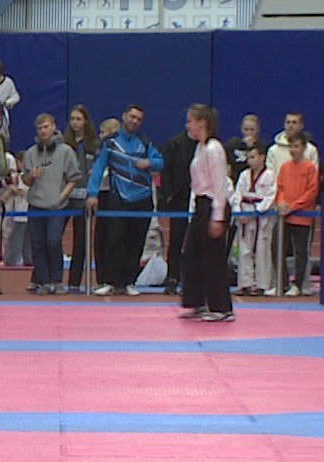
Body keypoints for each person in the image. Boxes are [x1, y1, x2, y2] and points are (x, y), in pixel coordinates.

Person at [88, 104, 162, 296]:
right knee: (114, 239)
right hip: (118, 198)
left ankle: (129, 282)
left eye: (138, 119)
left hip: (142, 199)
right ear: (124, 116)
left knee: (135, 242)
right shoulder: (110, 142)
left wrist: (149, 162)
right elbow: (98, 168)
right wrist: (92, 194)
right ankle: (110, 282)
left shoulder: (144, 142)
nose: (134, 121)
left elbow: (160, 162)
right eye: (132, 117)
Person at [178, 105, 233, 322]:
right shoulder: (200, 148)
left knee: (213, 258)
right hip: (201, 204)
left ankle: (221, 308)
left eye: (190, 121)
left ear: (202, 123)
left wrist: (217, 217)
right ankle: (197, 301)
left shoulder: (214, 148)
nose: (187, 126)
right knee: (191, 254)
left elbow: (220, 185)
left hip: (213, 203)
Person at [21, 113, 80, 293]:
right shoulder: (31, 153)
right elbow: (26, 181)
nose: (43, 131)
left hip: (56, 207)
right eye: (40, 128)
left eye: (46, 127)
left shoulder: (66, 151)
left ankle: (58, 280)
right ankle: (44, 282)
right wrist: (31, 176)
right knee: (37, 244)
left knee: (53, 242)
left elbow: (74, 178)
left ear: (53, 127)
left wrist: (61, 197)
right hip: (35, 205)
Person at [274, 136, 320, 296]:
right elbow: (280, 188)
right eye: (291, 146)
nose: (293, 150)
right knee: (277, 248)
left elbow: (311, 192)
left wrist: (292, 207)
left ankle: (298, 284)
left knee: (301, 252)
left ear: (304, 148)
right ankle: (283, 282)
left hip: (302, 217)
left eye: (296, 146)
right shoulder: (285, 167)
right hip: (284, 217)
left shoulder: (309, 167)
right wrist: (281, 202)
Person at [62, 105, 99, 292]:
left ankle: (74, 283)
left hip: (84, 198)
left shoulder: (94, 144)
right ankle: (47, 279)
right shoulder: (64, 144)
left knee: (81, 241)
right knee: (53, 237)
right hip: (64, 197)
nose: (74, 122)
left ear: (85, 121)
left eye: (78, 119)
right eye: (72, 119)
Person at [231, 145, 276, 296]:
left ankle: (262, 284)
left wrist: (256, 211)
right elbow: (237, 195)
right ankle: (245, 283)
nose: (250, 160)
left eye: (253, 157)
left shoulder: (270, 175)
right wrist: (239, 213)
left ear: (262, 157)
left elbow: (270, 197)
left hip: (261, 218)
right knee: (244, 250)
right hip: (244, 216)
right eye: (248, 157)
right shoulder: (244, 175)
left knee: (262, 250)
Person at [159, 125, 198, 294]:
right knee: (176, 239)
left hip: (200, 197)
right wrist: (169, 195)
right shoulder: (175, 143)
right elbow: (165, 170)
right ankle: (172, 278)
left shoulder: (207, 145)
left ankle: (194, 280)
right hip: (179, 199)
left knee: (197, 241)